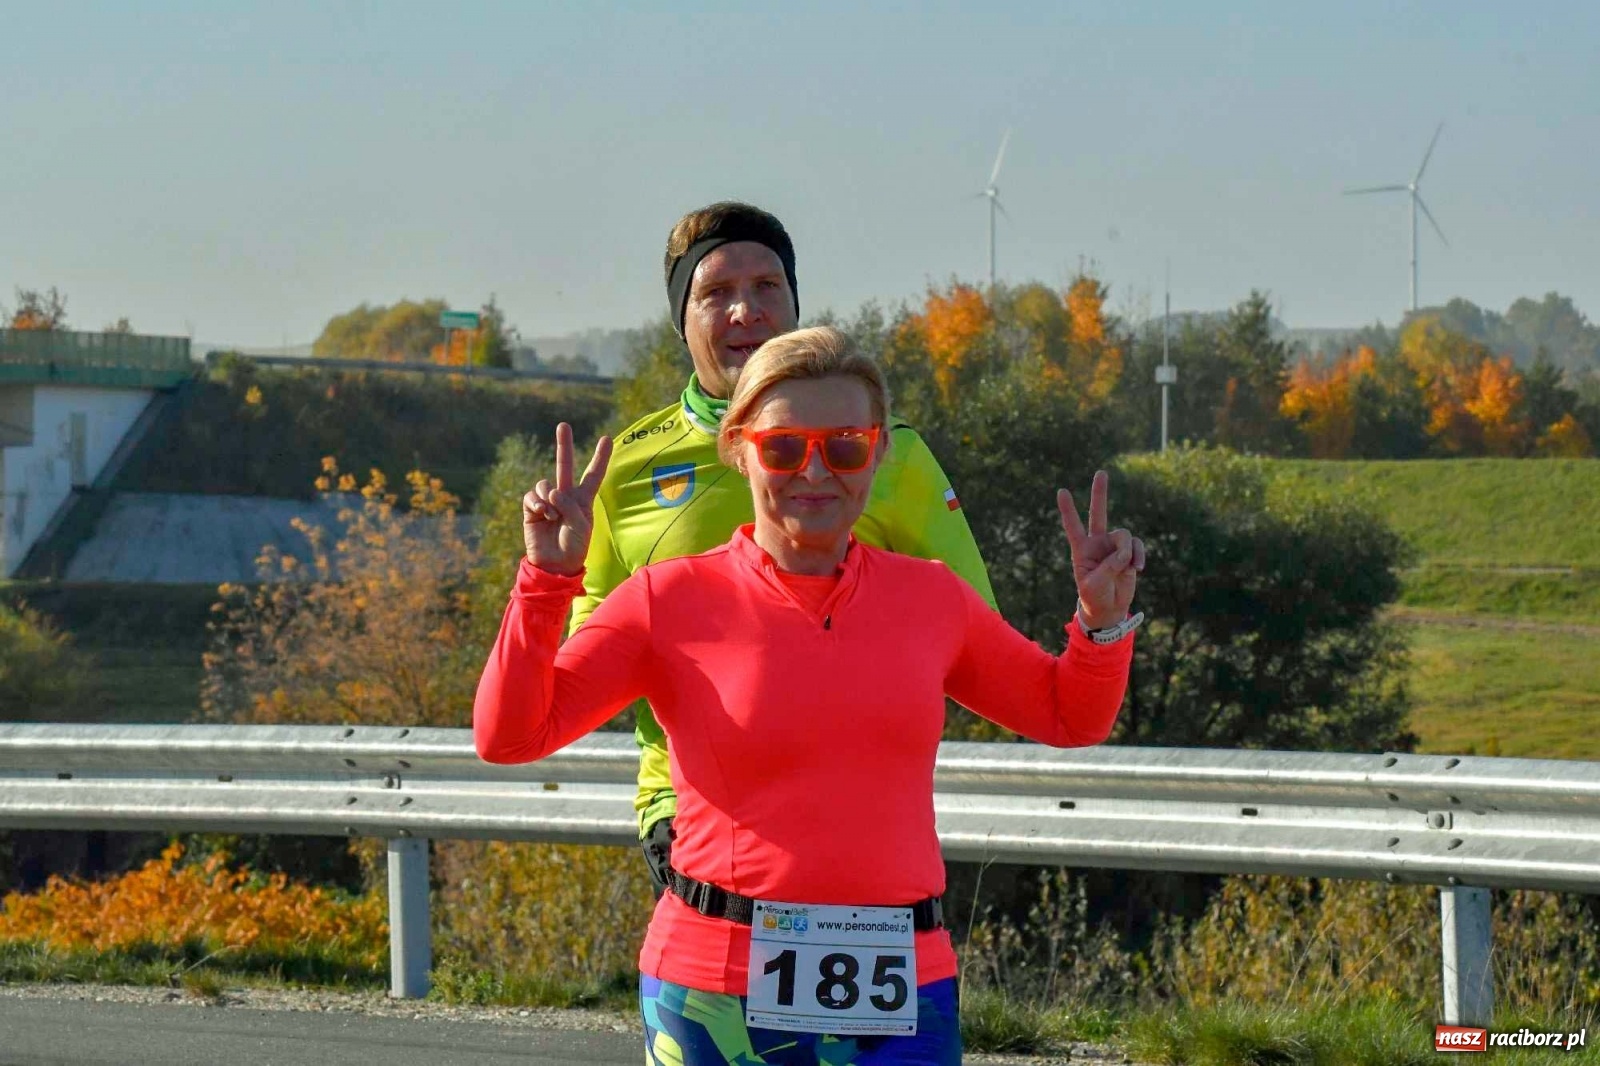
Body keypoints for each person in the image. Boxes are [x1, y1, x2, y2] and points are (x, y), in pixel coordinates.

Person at [476, 326, 1145, 1066]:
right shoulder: (668, 598)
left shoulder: (931, 599)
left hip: (904, 989)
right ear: (738, 448)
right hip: (712, 994)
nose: (815, 472)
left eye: (847, 447)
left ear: (880, 455)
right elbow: (510, 736)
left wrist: (1100, 623)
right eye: (785, 448)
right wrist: (545, 585)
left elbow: (1068, 715)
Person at [572, 201, 997, 893]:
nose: (746, 311)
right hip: (692, 816)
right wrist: (546, 575)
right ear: (681, 321)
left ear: (796, 304)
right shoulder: (622, 468)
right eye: (716, 293)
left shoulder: (883, 451)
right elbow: (580, 659)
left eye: (767, 286)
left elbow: (977, 635)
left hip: (859, 819)